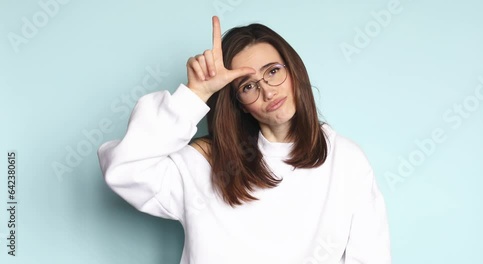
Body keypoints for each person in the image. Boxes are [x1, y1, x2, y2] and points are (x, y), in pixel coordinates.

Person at [97, 16, 391, 264]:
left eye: (273, 72)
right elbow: (125, 170)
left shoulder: (346, 160)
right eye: (249, 86)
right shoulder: (205, 162)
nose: (268, 92)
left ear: (294, 71)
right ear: (238, 102)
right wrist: (195, 95)